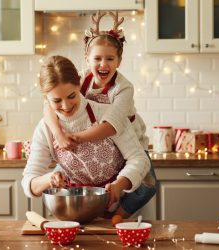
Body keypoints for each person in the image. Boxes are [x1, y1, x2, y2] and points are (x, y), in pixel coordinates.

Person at [44, 10, 157, 208]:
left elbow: (111, 126)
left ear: (119, 61)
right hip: (98, 143)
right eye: (97, 59)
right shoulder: (80, 78)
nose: (103, 64)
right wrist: (58, 133)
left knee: (147, 185)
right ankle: (98, 212)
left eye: (110, 59)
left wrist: (75, 138)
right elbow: (48, 105)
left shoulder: (124, 88)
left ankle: (120, 214)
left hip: (129, 140)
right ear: (87, 58)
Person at [22, 55, 151, 218]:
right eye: (56, 101)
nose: (66, 106)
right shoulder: (45, 129)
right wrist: (50, 179)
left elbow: (139, 158)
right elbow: (29, 181)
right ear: (46, 99)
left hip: (119, 212)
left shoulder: (107, 115)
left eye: (71, 96)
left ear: (79, 84)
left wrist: (119, 184)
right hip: (74, 212)